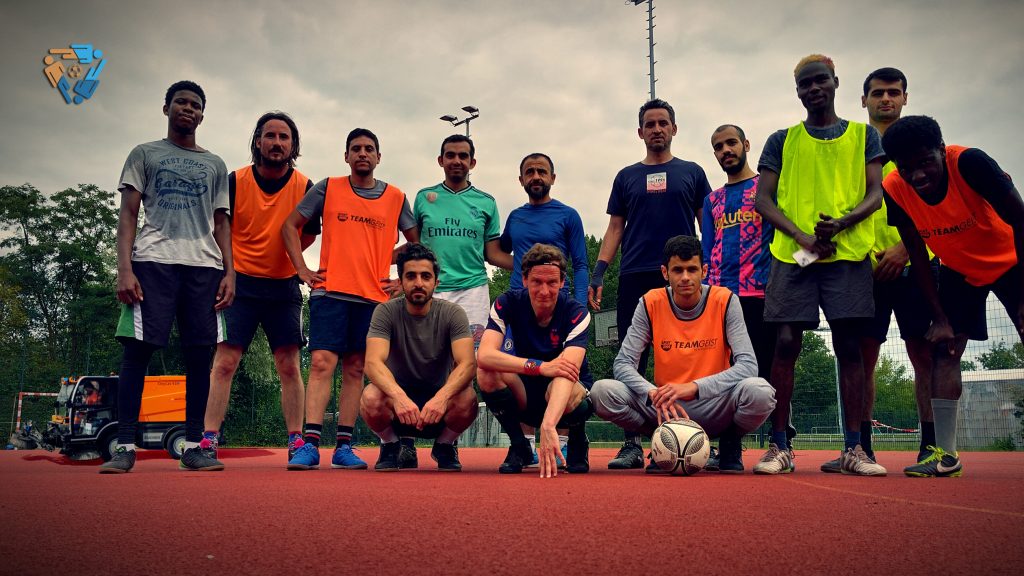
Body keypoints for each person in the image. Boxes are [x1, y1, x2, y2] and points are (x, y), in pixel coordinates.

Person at [754, 54, 887, 476]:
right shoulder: (782, 140)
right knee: (785, 343)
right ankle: (780, 445)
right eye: (805, 84)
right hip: (794, 255)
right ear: (797, 91)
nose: (813, 88)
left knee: (849, 346)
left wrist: (842, 223)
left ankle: (854, 448)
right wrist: (802, 236)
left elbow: (876, 193)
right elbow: (763, 200)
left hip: (846, 255)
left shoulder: (864, 136)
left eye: (820, 81)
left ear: (835, 82)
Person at [100, 80, 234, 473]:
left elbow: (221, 222)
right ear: (166, 108)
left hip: (204, 267)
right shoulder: (144, 153)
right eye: (181, 102)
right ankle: (125, 447)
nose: (188, 109)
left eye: (195, 105)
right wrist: (124, 268)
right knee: (136, 352)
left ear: (202, 116)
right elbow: (128, 214)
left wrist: (230, 272)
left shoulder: (215, 164)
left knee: (200, 356)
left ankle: (193, 447)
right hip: (152, 262)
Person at [881, 115, 1024, 477]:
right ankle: (946, 457)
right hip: (960, 270)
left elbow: (1021, 220)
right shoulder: (894, 186)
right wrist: (940, 317)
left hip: (1012, 260)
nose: (917, 176)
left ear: (942, 151)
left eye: (925, 162)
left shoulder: (971, 163)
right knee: (944, 350)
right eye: (906, 167)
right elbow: (916, 253)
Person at [281, 128, 418, 471]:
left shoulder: (396, 197)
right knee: (322, 363)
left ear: (378, 157)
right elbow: (289, 226)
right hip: (330, 291)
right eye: (355, 148)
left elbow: (416, 243)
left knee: (357, 368)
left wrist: (400, 278)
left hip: (373, 297)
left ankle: (344, 446)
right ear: (346, 156)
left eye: (369, 148)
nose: (362, 153)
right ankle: (310, 445)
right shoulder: (328, 188)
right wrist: (301, 268)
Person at [821, 68, 936, 473]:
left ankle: (933, 447)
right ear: (863, 100)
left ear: (905, 98)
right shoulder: (854, 146)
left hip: (917, 263)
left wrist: (906, 249)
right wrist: (866, 255)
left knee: (924, 353)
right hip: (865, 267)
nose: (885, 98)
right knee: (861, 357)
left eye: (893, 92)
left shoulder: (922, 146)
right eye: (877, 93)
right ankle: (861, 448)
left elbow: (939, 204)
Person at [591, 99, 712, 469]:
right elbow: (615, 228)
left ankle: (701, 437)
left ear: (674, 128)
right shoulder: (626, 177)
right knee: (633, 356)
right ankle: (631, 443)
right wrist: (599, 272)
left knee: (694, 354)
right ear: (640, 132)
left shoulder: (692, 172)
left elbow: (706, 224)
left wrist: (712, 267)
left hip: (683, 276)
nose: (657, 129)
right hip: (635, 274)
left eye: (663, 123)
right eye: (650, 124)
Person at [592, 236, 776, 473]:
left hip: (715, 404)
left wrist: (695, 387)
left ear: (704, 271)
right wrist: (651, 392)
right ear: (665, 273)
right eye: (678, 270)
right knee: (601, 392)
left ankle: (730, 441)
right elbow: (623, 363)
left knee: (761, 392)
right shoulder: (650, 302)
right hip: (665, 407)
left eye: (692, 269)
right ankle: (662, 439)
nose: (686, 277)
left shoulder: (725, 300)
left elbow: (748, 365)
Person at [199, 111, 318, 469]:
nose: (277, 143)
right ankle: (209, 439)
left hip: (284, 286)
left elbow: (309, 234)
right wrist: (229, 271)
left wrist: (290, 261)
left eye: (284, 137)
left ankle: (296, 440)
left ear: (293, 145)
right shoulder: (234, 181)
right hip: (240, 283)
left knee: (289, 365)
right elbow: (219, 228)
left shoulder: (305, 186)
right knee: (225, 362)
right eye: (270, 136)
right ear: (257, 141)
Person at [702, 124, 790, 468]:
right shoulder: (712, 200)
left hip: (760, 295)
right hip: (721, 300)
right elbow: (707, 250)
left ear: (746, 145)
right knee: (723, 375)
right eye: (718, 146)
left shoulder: (766, 189)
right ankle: (729, 449)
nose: (726, 150)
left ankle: (780, 442)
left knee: (766, 371)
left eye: (731, 143)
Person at [499, 152, 589, 466]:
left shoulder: (568, 215)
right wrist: (522, 275)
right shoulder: (515, 217)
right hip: (520, 311)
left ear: (552, 177)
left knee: (564, 371)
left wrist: (579, 304)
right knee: (517, 372)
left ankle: (561, 444)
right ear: (521, 179)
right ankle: (523, 446)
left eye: (542, 171)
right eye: (530, 172)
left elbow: (580, 263)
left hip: (557, 308)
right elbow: (499, 250)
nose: (536, 176)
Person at [478, 244, 594, 477]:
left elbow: (567, 371)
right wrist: (540, 367)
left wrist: (548, 425)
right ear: (524, 280)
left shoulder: (577, 313)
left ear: (562, 282)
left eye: (552, 282)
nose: (544, 291)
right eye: (537, 282)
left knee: (565, 382)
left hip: (567, 391)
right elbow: (484, 355)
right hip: (527, 387)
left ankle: (577, 439)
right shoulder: (506, 302)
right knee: (486, 373)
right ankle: (519, 445)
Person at [361, 243, 478, 472]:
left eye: (426, 276)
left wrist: (441, 398)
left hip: (440, 407)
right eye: (411, 276)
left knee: (468, 398)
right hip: (398, 407)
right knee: (371, 396)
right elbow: (372, 363)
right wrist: (399, 397)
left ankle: (444, 445)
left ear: (436, 282)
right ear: (401, 281)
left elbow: (468, 363)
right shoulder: (385, 312)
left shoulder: (453, 313)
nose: (418, 283)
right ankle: (391, 444)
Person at [414, 134, 511, 347]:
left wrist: (529, 266)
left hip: (473, 290)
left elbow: (493, 254)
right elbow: (414, 246)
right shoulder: (424, 198)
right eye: (450, 155)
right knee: (430, 354)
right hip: (432, 288)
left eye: (463, 156)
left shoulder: (486, 202)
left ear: (472, 162)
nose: (456, 161)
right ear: (440, 160)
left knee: (470, 356)